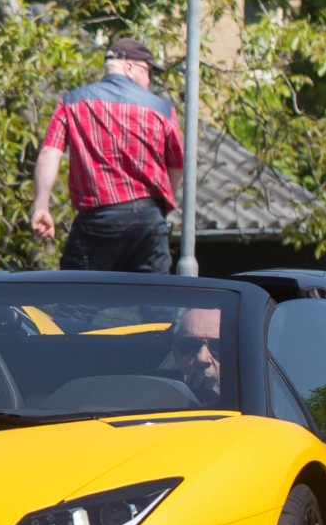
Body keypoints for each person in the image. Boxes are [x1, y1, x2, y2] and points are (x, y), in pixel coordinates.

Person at [30, 36, 185, 273]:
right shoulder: (161, 109)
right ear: (130, 66)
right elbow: (176, 164)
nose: (150, 80)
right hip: (149, 219)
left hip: (99, 220)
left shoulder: (72, 102)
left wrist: (41, 206)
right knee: (156, 304)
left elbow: (50, 151)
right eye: (148, 71)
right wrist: (161, 208)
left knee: (77, 304)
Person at [166, 306, 224, 403]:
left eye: (218, 347)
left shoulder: (256, 403)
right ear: (175, 354)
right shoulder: (153, 396)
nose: (202, 358)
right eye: (190, 346)